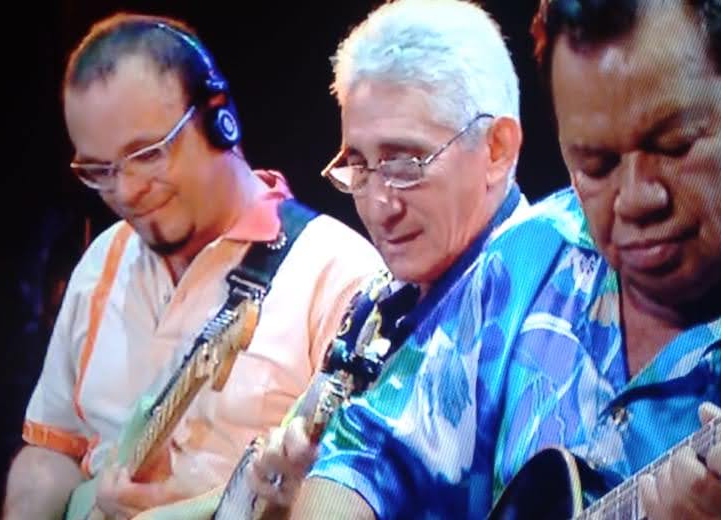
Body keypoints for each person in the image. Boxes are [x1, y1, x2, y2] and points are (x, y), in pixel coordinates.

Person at [290, 0, 721, 518]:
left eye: (675, 145)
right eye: (594, 165)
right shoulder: (536, 251)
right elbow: (365, 451)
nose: (635, 199)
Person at [0, 12, 384, 519]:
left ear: (219, 120)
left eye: (147, 154)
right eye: (100, 170)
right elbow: (52, 450)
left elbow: (357, 493)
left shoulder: (339, 274)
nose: (125, 191)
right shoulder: (104, 258)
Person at [213, 0, 533, 514]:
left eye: (405, 164)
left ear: (497, 148)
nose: (379, 206)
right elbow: (279, 470)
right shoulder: (376, 302)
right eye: (359, 165)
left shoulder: (549, 314)